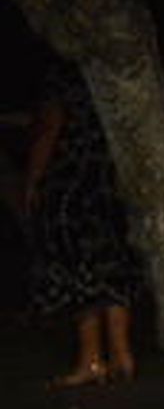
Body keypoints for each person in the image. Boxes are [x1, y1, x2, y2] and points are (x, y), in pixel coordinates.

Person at [24, 60, 140, 386]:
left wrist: (33, 180)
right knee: (112, 262)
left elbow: (50, 129)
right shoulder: (113, 70)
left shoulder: (65, 75)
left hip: (75, 182)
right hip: (111, 179)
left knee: (78, 265)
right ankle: (121, 355)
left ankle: (92, 359)